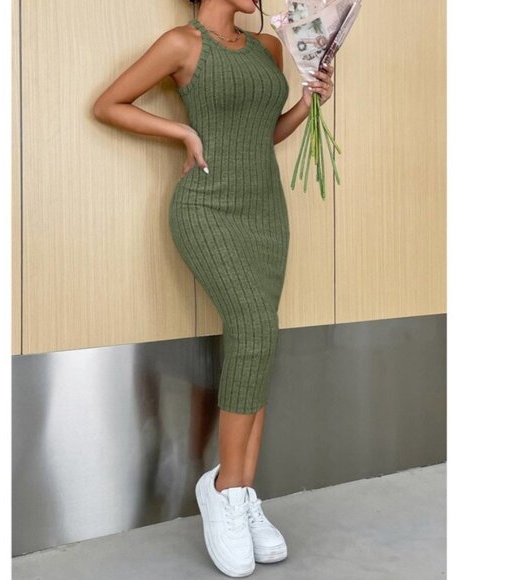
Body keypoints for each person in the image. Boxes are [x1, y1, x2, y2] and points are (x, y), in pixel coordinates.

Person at [93, 0, 334, 576]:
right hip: (206, 207)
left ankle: (242, 492)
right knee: (253, 326)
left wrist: (307, 105)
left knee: (260, 338)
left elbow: (261, 135)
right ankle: (224, 491)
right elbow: (108, 104)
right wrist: (181, 130)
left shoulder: (268, 48)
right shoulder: (182, 44)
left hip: (265, 213)